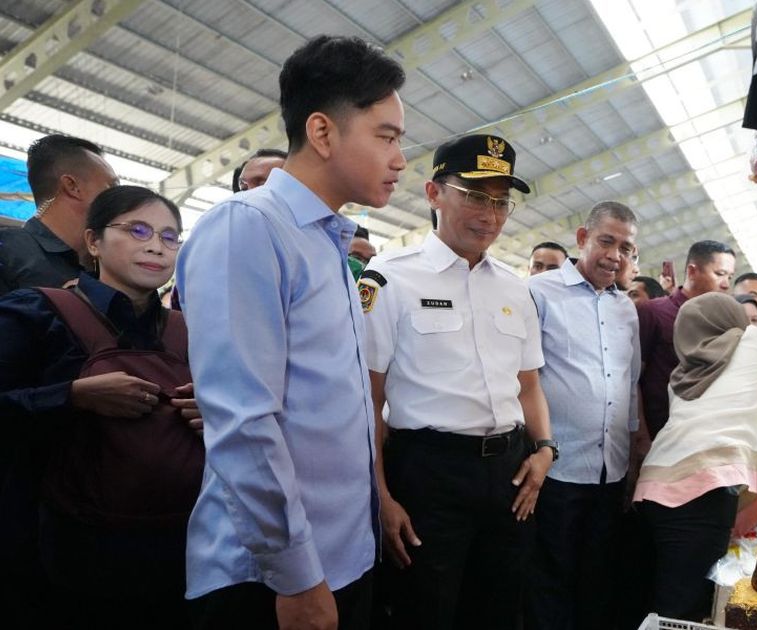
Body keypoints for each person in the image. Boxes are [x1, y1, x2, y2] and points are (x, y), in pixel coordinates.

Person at [177, 36, 406, 630]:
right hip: (273, 581)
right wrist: (297, 575)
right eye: (386, 136)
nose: (400, 159)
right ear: (324, 133)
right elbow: (244, 421)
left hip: (342, 556)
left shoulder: (327, 243)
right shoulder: (248, 229)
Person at [360, 133, 553, 630]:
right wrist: (380, 495)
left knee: (500, 609)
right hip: (429, 475)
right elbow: (368, 397)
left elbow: (528, 384)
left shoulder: (515, 288)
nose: (489, 214)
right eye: (473, 196)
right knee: (426, 610)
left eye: (501, 201)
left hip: (509, 474)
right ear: (433, 193)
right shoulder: (390, 278)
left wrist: (545, 450)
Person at [0, 185, 202, 628]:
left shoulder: (189, 332)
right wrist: (73, 396)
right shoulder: (40, 311)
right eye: (138, 230)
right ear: (93, 241)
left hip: (177, 552)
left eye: (171, 237)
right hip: (66, 557)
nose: (156, 246)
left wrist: (212, 419)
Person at [635, 293, 757, 620]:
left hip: (654, 491)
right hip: (703, 492)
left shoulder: (682, 374)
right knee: (683, 607)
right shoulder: (752, 339)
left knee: (666, 591)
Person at [526, 201, 640, 630]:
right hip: (557, 467)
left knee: (597, 576)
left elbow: (629, 384)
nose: (615, 255)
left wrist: (632, 458)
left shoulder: (625, 308)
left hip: (609, 470)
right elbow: (524, 378)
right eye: (606, 241)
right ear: (582, 238)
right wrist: (538, 447)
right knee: (550, 576)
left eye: (626, 248)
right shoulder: (540, 292)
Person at [636, 239, 736, 441]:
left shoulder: (723, 323)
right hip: (662, 434)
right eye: (719, 274)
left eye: (730, 277)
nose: (726, 284)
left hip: (707, 433)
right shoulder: (653, 312)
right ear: (692, 271)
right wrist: (641, 438)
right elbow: (633, 380)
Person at [0, 134, 119, 296]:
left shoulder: (107, 267)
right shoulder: (8, 251)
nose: (119, 198)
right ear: (72, 186)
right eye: (111, 186)